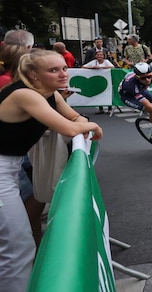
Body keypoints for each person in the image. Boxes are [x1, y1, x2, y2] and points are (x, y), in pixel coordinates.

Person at [0, 49, 103, 290]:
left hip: (9, 168)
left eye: (64, 68)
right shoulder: (25, 95)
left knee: (18, 241)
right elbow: (69, 128)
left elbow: (75, 118)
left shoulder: (49, 94)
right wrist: (93, 126)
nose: (63, 74)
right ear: (33, 75)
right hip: (3, 169)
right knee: (18, 246)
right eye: (53, 70)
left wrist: (84, 124)